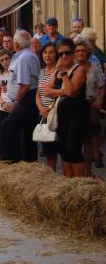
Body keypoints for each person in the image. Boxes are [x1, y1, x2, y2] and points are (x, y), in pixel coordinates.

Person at [44, 39, 88, 177]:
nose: (63, 56)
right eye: (61, 53)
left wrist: (63, 74)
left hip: (77, 112)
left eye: (67, 53)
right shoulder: (58, 70)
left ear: (73, 53)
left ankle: (79, 183)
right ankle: (68, 182)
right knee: (64, 149)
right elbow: (47, 90)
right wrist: (63, 91)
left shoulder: (79, 69)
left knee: (73, 148)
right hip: (62, 113)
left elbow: (71, 92)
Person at [0, 30, 41, 162]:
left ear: (16, 44)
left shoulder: (24, 58)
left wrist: (16, 102)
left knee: (9, 125)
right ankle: (28, 160)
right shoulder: (25, 55)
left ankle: (16, 160)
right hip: (27, 96)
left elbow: (25, 84)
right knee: (27, 131)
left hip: (27, 97)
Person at [73, 36, 104, 174]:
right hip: (74, 108)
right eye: (77, 50)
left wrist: (99, 100)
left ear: (88, 53)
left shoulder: (95, 68)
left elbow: (102, 86)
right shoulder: (71, 67)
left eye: (83, 51)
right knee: (75, 141)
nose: (80, 53)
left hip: (91, 107)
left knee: (89, 140)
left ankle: (88, 172)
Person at [35, 43, 59, 171]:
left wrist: (50, 108)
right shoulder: (42, 72)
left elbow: (61, 93)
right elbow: (38, 94)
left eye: (51, 52)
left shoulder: (59, 71)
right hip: (43, 112)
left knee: (58, 149)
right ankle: (52, 175)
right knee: (48, 149)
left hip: (55, 113)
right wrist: (40, 108)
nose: (47, 55)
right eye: (45, 52)